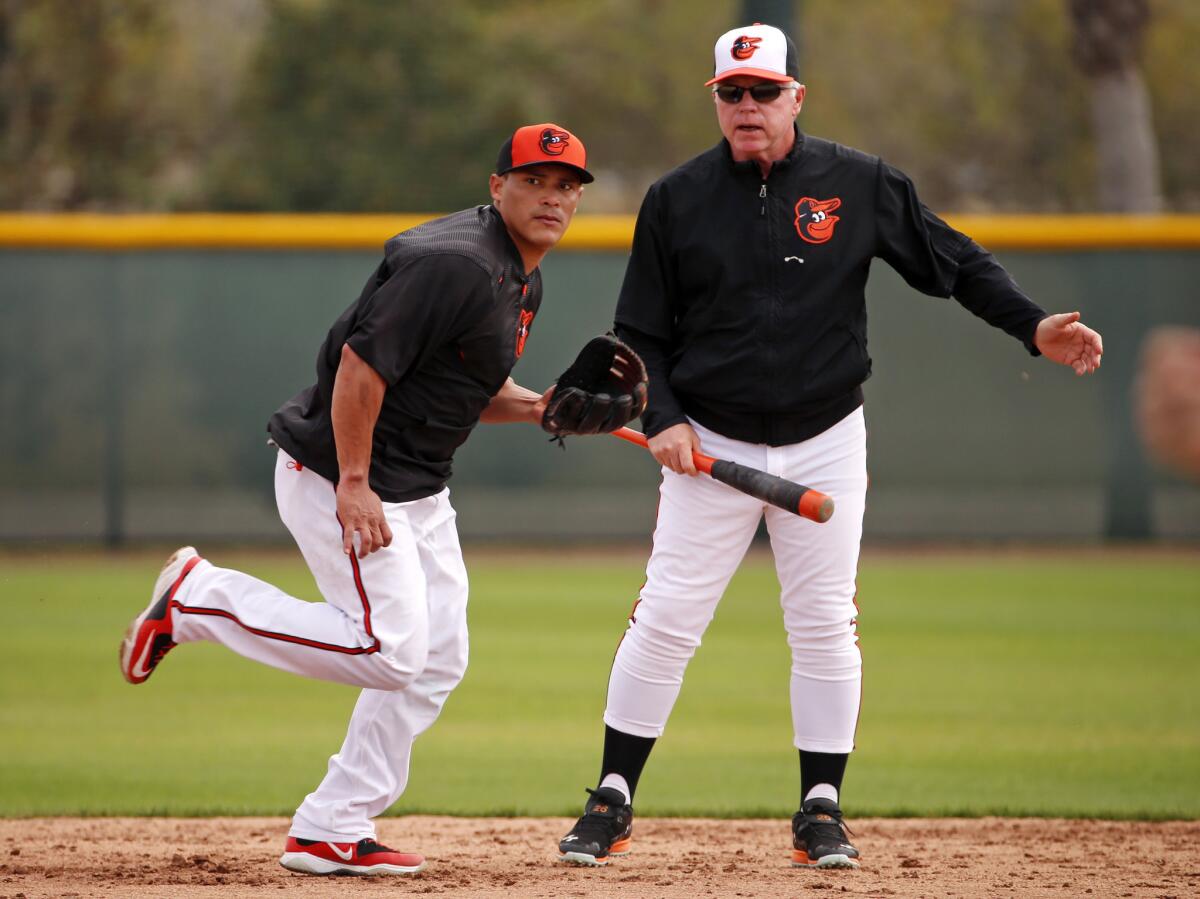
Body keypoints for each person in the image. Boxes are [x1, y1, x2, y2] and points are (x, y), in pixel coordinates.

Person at [557, 23, 1104, 870]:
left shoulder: (858, 182)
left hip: (824, 439)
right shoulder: (676, 198)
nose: (747, 106)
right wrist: (661, 414)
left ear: (795, 97)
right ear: (717, 101)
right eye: (731, 93)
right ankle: (612, 796)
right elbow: (640, 331)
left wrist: (1033, 326)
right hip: (708, 440)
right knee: (666, 618)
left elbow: (952, 262)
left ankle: (821, 807)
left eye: (763, 91)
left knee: (823, 625)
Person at [119, 123, 598, 876]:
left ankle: (332, 824)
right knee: (389, 649)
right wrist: (352, 481)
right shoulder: (458, 266)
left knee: (438, 657)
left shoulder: (519, 274)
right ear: (496, 184)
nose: (553, 196)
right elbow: (360, 367)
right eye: (535, 179)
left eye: (567, 184)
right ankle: (196, 598)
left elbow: (463, 388)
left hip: (418, 486)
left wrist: (541, 409)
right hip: (344, 477)